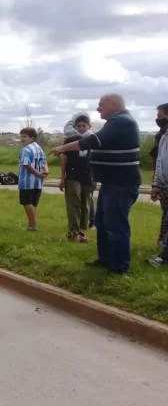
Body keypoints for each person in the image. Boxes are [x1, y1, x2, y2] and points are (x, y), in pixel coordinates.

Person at [50, 93, 141, 274]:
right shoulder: (115, 122)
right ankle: (106, 259)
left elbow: (93, 141)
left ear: (114, 105)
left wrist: (63, 147)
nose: (98, 108)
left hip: (121, 183)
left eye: (101, 104)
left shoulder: (122, 121)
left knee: (116, 225)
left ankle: (120, 266)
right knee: (102, 222)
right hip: (111, 182)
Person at [58, 114, 94, 242]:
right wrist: (62, 178)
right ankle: (73, 232)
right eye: (78, 126)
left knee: (86, 205)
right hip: (73, 175)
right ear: (75, 127)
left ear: (89, 126)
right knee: (74, 203)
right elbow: (64, 160)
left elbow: (95, 160)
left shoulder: (93, 140)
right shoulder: (70, 140)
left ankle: (82, 231)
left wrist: (94, 178)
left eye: (84, 126)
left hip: (87, 175)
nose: (81, 128)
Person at [147, 103, 168, 268]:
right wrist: (156, 183)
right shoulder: (163, 135)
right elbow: (160, 161)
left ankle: (164, 257)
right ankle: (163, 251)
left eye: (161, 116)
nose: (158, 120)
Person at [18, 127, 48, 231]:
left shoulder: (26, 149)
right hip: (38, 182)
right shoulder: (39, 148)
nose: (22, 139)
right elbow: (44, 161)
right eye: (21, 136)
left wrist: (38, 173)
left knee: (26, 202)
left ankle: (34, 225)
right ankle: (30, 225)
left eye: (25, 136)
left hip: (27, 181)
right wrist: (45, 171)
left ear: (32, 138)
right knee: (34, 203)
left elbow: (26, 164)